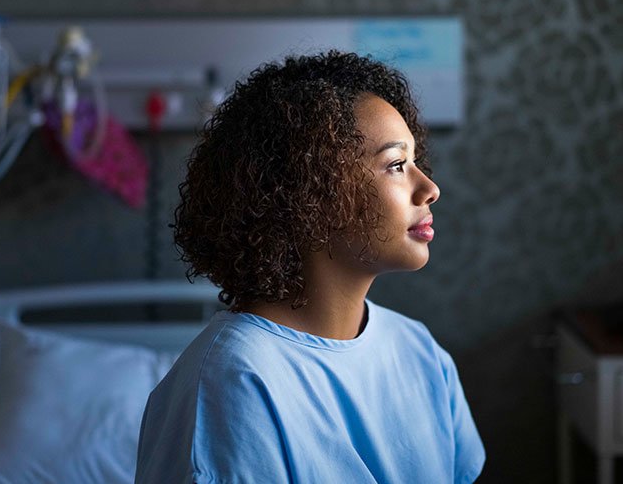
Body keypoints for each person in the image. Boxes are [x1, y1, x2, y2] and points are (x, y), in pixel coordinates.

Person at [135, 50, 486, 483]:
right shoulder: (232, 386)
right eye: (396, 165)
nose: (429, 188)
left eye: (416, 162)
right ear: (311, 194)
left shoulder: (421, 353)